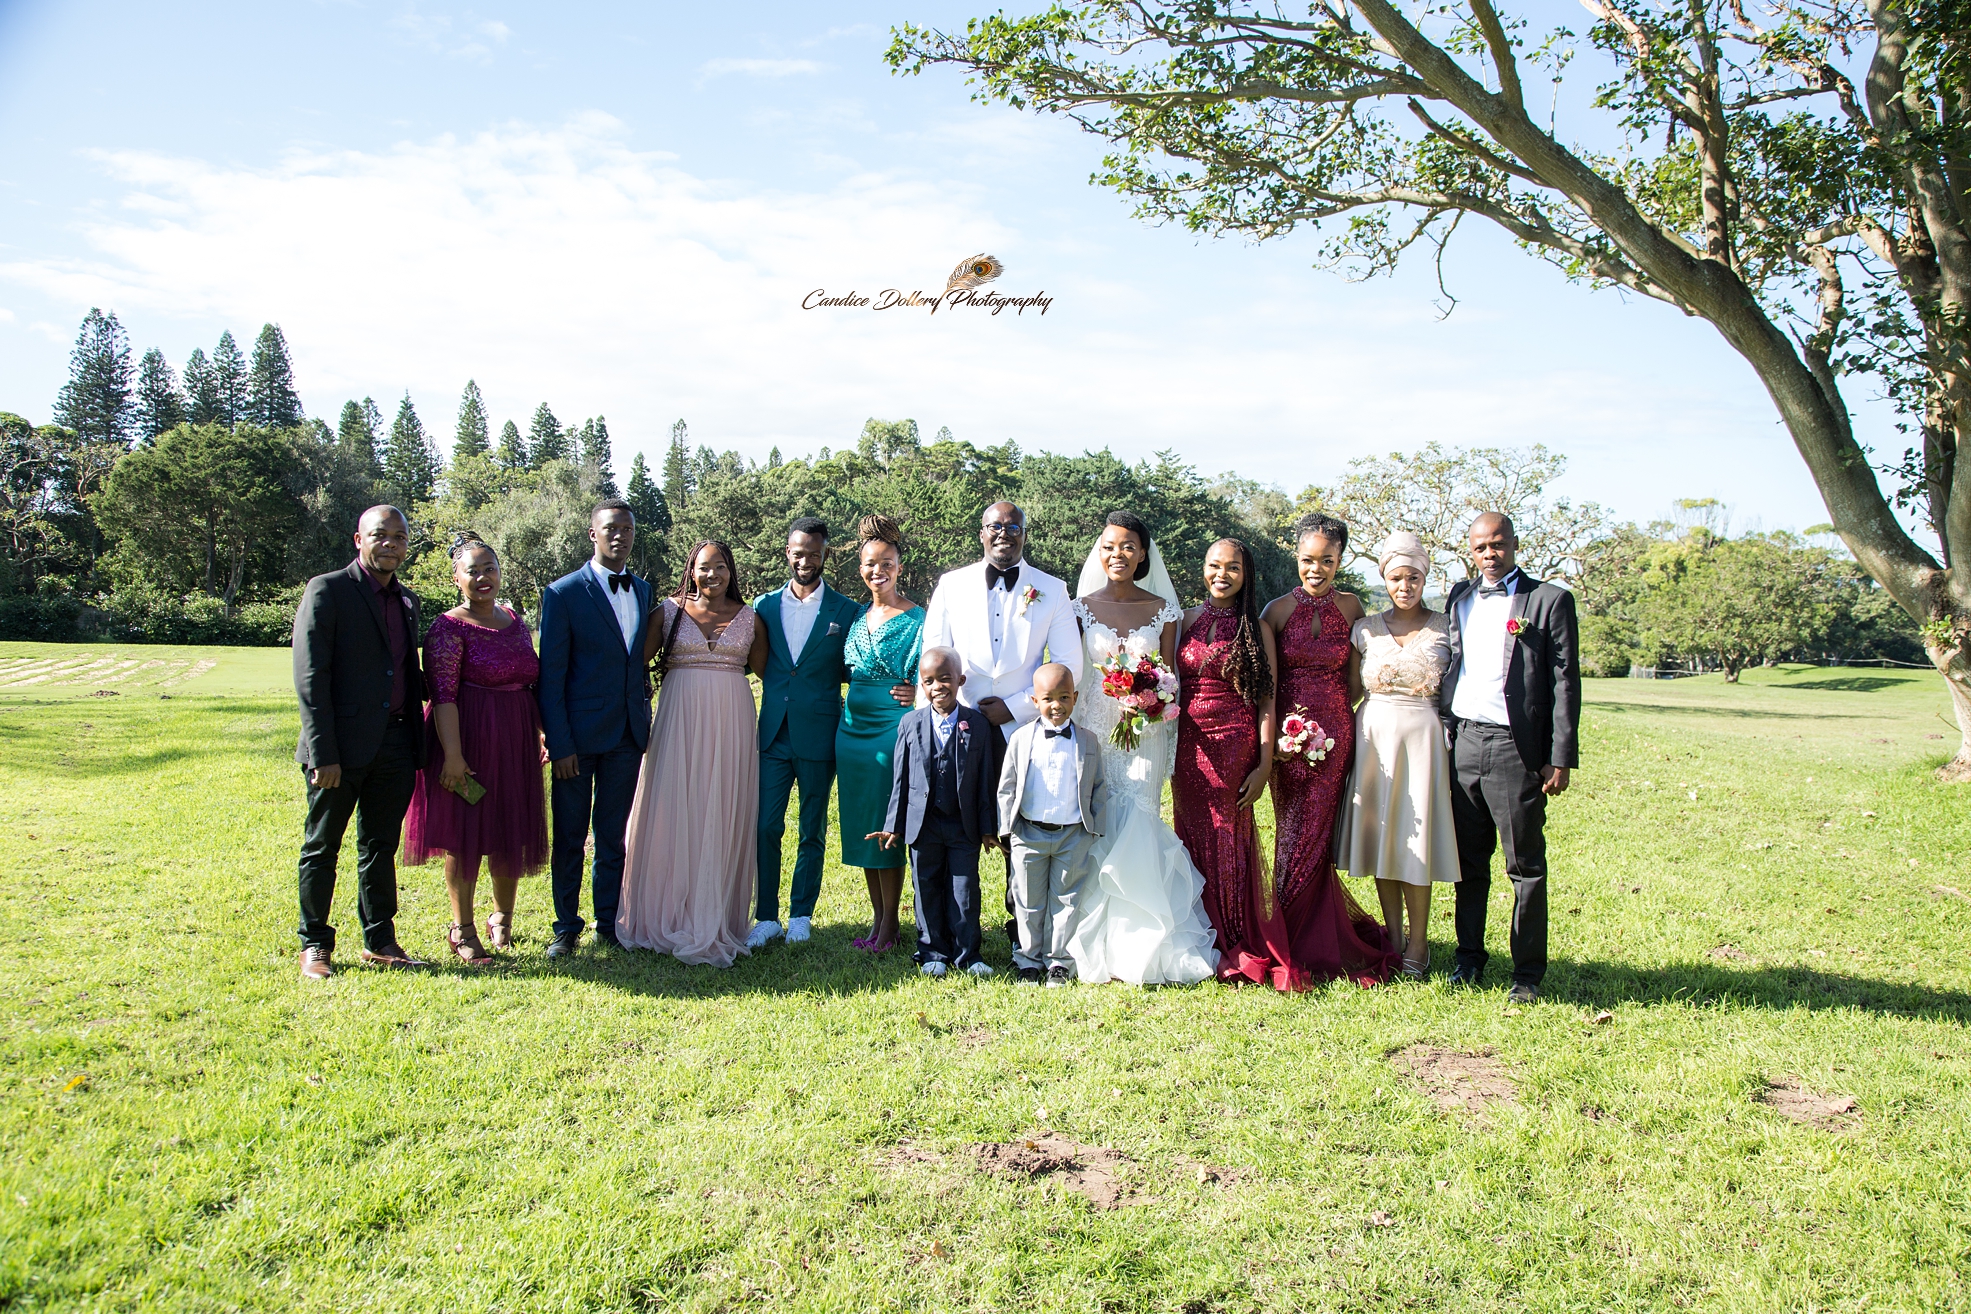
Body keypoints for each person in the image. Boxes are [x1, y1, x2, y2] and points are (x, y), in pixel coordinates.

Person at [1064, 512, 1220, 986]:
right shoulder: (1077, 608)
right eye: (1110, 546)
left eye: (1128, 546)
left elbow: (1170, 675)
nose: (1118, 554)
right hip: (1095, 726)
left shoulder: (1164, 610)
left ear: (1143, 554)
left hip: (1146, 730)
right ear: (1099, 552)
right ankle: (1090, 939)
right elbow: (1074, 673)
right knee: (1098, 820)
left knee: (1139, 817)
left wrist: (1151, 701)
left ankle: (1145, 943)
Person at [920, 501, 1083, 938]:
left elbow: (1070, 664)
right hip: (958, 723)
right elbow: (933, 653)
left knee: (1020, 830)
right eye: (995, 526)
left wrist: (1015, 706)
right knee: (954, 826)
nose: (1004, 534)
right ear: (982, 532)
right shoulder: (951, 585)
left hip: (1021, 728)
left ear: (1025, 534)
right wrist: (933, 718)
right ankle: (952, 931)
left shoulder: (1052, 589)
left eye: (1014, 527)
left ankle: (1023, 931)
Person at [1441, 512, 1581, 1003]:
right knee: (1468, 863)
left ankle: (1527, 974)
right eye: (1480, 547)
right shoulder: (1459, 597)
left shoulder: (1549, 601)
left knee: (1524, 866)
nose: (1490, 554)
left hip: (1514, 748)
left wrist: (1560, 757)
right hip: (1463, 743)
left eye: (1498, 544)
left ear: (1515, 544)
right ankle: (1468, 960)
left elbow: (1566, 682)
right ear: (1471, 550)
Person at [1258, 513, 1400, 988]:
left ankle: (1314, 934)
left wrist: (1335, 716)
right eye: (1307, 560)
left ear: (1340, 560)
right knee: (1292, 831)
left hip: (1336, 737)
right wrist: (1279, 737)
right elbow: (1267, 683)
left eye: (1327, 560)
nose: (1315, 569)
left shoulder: (1353, 607)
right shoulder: (1276, 611)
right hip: (1287, 742)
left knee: (1318, 836)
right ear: (1296, 558)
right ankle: (1287, 931)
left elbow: (1356, 677)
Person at [291, 504, 428, 978]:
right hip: (340, 749)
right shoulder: (327, 590)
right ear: (358, 540)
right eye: (380, 535)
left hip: (396, 745)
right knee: (322, 846)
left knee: (380, 845)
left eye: (399, 537)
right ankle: (315, 943)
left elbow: (404, 671)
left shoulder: (407, 601)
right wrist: (323, 752)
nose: (390, 544)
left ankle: (380, 939)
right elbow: (311, 677)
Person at [618, 540, 768, 967]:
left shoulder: (750, 617)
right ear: (691, 570)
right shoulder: (667, 613)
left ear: (731, 571)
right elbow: (630, 664)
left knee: (721, 809)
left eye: (720, 567)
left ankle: (714, 914)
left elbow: (772, 673)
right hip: (678, 720)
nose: (712, 575)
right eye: (704, 567)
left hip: (732, 723)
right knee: (673, 808)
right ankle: (665, 912)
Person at [403, 532, 549, 964]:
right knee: (464, 838)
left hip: (516, 738)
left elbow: (529, 682)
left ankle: (502, 918)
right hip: (467, 739)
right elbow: (442, 696)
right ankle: (462, 928)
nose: (483, 577)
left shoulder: (514, 620)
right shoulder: (447, 628)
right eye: (473, 571)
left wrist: (542, 731)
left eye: (490, 568)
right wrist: (453, 756)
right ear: (457, 578)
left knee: (509, 832)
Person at [1336, 532, 1458, 978]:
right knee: (1384, 840)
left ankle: (1419, 943)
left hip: (1424, 743)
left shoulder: (1446, 627)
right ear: (1384, 579)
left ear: (1425, 578)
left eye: (1413, 578)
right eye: (1395, 578)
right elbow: (1349, 692)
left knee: (1416, 840)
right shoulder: (1364, 628)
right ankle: (1394, 936)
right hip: (1373, 741)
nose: (1404, 586)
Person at [537, 499, 654, 958]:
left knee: (613, 835)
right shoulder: (563, 593)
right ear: (593, 534)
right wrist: (559, 742)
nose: (619, 536)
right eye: (610, 528)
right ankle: (566, 927)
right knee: (569, 836)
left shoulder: (642, 590)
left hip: (626, 736)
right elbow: (551, 677)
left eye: (627, 529)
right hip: (577, 739)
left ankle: (609, 924)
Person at [748, 516, 865, 949]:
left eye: (814, 554)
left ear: (825, 555)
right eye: (798, 553)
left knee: (811, 829)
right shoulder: (763, 606)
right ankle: (766, 916)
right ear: (788, 552)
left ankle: (801, 914)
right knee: (765, 826)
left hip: (819, 732)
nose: (805, 561)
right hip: (773, 733)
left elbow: (856, 669)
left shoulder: (846, 610)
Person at [1173, 537, 1282, 985]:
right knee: (1189, 832)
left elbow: (1268, 701)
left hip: (1235, 744)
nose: (1222, 574)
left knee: (1227, 835)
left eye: (1233, 568)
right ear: (1203, 568)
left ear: (1246, 574)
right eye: (1215, 565)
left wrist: (1264, 764)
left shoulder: (1257, 629)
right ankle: (1195, 929)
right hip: (1188, 745)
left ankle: (1232, 933)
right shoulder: (1184, 620)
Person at [868, 648, 998, 977]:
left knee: (965, 889)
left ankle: (968, 954)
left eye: (945, 678)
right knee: (926, 887)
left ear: (960, 680)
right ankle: (932, 952)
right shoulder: (910, 723)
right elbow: (900, 779)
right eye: (929, 681)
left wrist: (987, 828)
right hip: (922, 825)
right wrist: (894, 824)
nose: (938, 686)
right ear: (921, 685)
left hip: (963, 824)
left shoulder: (977, 724)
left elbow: (985, 780)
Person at [835, 514, 923, 954]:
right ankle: (876, 919)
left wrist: (917, 689)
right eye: (870, 564)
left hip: (891, 728)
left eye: (887, 563)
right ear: (860, 568)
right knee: (862, 825)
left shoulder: (917, 618)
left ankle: (890, 926)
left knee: (886, 825)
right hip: (851, 732)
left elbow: (931, 669)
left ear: (899, 567)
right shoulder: (857, 615)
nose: (878, 571)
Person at [997, 662, 1108, 986]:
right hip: (1028, 834)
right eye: (1047, 699)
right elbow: (1007, 786)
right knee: (1028, 901)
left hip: (1072, 835)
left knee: (1066, 900)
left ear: (1075, 697)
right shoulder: (1021, 739)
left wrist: (1093, 828)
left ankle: (1059, 961)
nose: (1056, 705)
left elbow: (1098, 785)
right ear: (1035, 701)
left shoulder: (1087, 741)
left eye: (1064, 697)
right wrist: (1008, 829)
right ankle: (1028, 960)